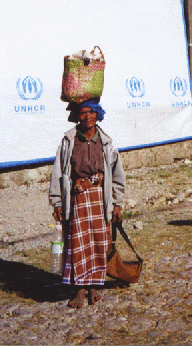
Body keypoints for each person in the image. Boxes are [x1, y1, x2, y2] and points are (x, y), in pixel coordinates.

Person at [49, 98, 126, 308]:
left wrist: (117, 202)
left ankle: (95, 287)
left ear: (98, 114)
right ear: (77, 116)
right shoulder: (69, 141)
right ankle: (80, 289)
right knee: (78, 245)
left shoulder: (106, 142)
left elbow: (117, 175)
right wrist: (57, 201)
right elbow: (58, 172)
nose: (87, 117)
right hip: (77, 200)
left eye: (92, 112)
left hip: (100, 198)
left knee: (100, 243)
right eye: (83, 113)